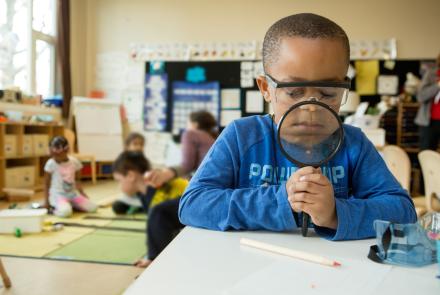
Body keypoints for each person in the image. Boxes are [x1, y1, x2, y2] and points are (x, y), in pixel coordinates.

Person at [178, 13, 416, 240]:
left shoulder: (353, 143)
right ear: (265, 88)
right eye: (293, 92)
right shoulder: (241, 136)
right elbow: (193, 204)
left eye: (328, 93)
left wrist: (335, 213)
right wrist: (281, 201)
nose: (311, 108)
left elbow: (403, 211)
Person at [112, 151, 188, 268]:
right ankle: (157, 257)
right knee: (157, 215)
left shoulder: (153, 186)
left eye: (119, 180)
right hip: (184, 207)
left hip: (192, 201)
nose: (119, 185)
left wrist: (153, 256)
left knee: (158, 213)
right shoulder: (143, 195)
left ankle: (157, 260)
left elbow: (161, 220)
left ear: (131, 176)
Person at [44, 136, 97, 217]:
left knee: (93, 207)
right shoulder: (51, 163)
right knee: (66, 213)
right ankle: (55, 209)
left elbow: (78, 180)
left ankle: (70, 206)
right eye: (53, 155)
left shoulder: (74, 162)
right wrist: (46, 202)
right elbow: (46, 184)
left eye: (58, 155)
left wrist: (82, 193)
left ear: (66, 151)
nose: (55, 157)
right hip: (58, 196)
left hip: (73, 195)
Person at [112, 132, 147, 214]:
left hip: (141, 194)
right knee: (117, 206)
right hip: (128, 196)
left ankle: (138, 208)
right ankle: (135, 208)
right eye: (135, 144)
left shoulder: (144, 160)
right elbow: (116, 172)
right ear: (127, 146)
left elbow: (148, 173)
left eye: (141, 145)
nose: (138, 147)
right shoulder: (122, 160)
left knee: (153, 205)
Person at [415, 53, 440, 151]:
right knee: (427, 152)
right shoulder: (431, 74)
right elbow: (420, 96)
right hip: (429, 122)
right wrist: (437, 86)